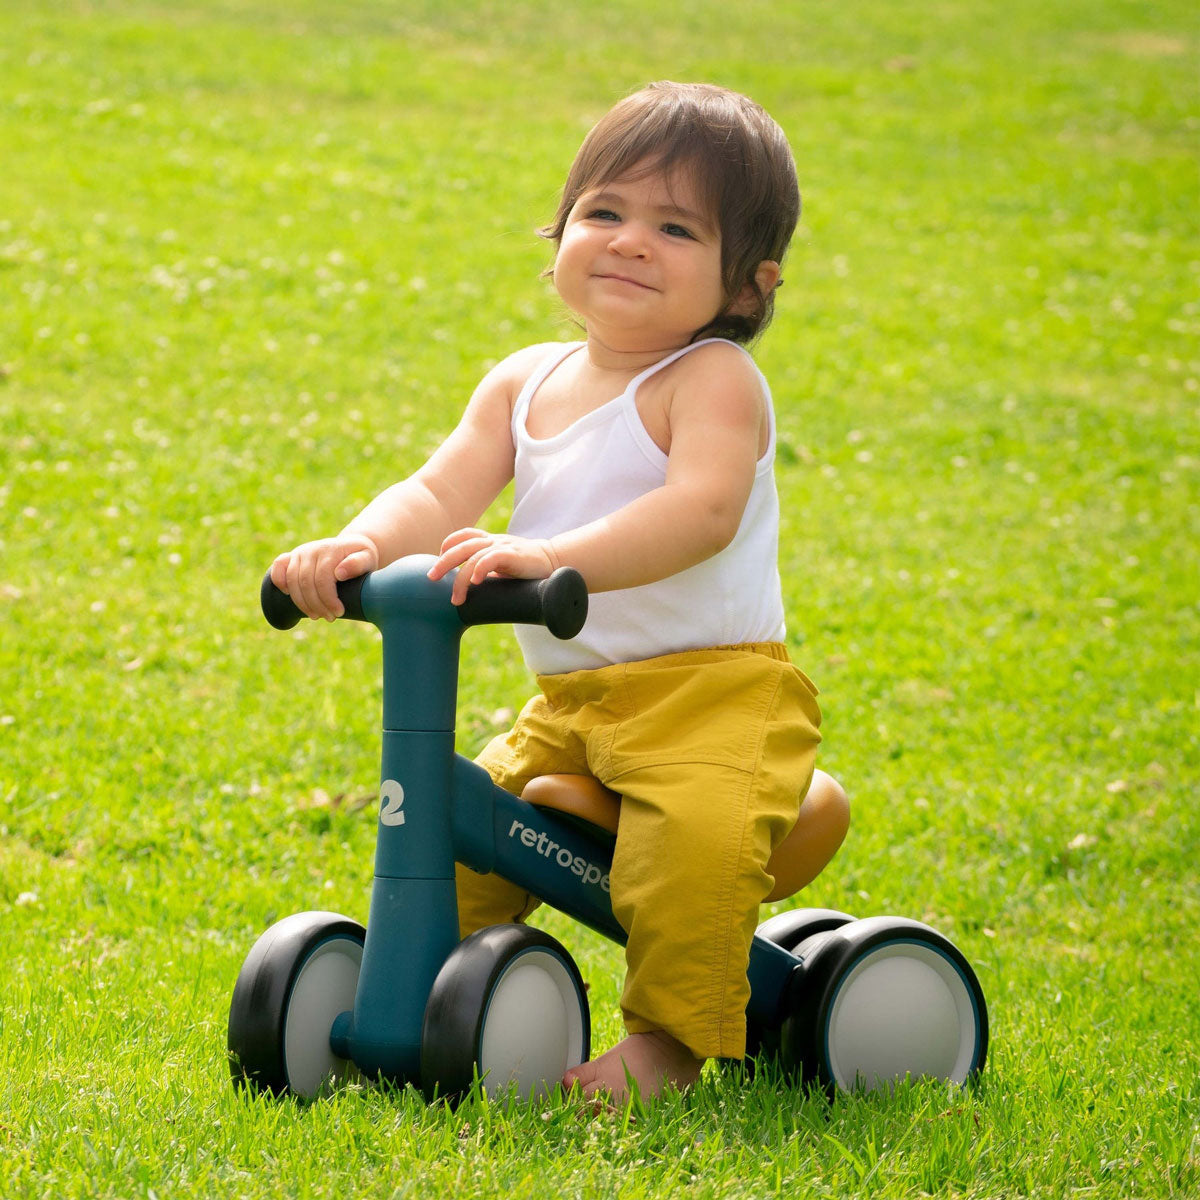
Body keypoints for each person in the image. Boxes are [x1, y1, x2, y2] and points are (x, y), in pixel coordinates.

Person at [271, 81, 849, 1103]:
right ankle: (407, 988)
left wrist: (554, 556)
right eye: (605, 213)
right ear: (560, 235)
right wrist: (354, 547)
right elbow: (439, 488)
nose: (630, 242)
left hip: (713, 696)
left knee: (692, 859)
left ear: (747, 289)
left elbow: (701, 510)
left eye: (676, 227)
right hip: (572, 710)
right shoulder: (522, 381)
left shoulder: (709, 380)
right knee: (459, 844)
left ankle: (671, 1042)